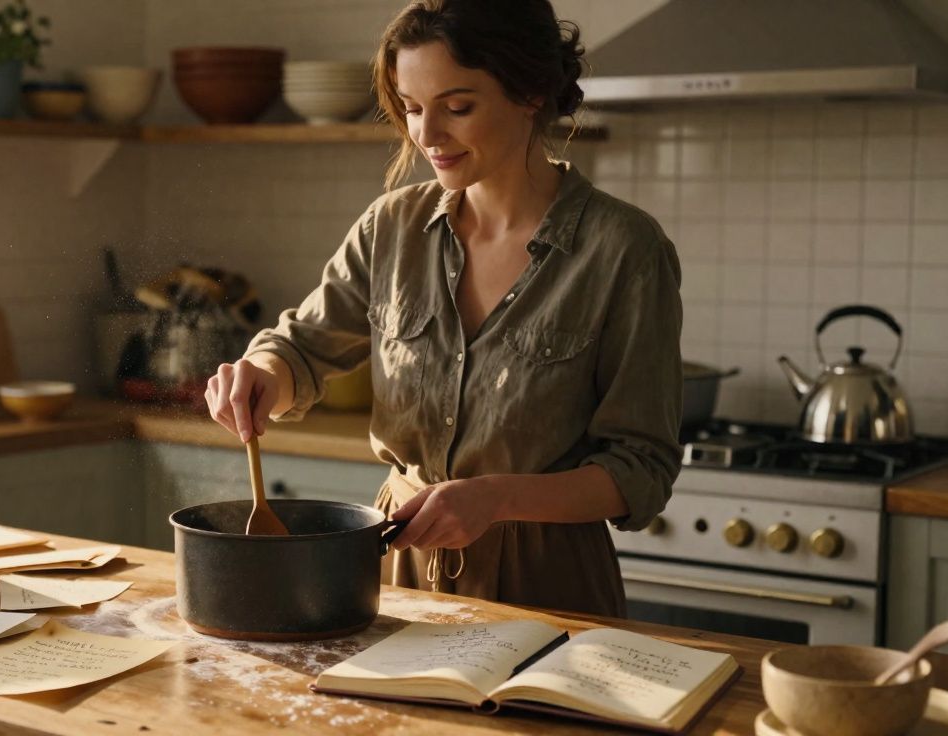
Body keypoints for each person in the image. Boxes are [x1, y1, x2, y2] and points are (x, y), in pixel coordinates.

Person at [204, 0, 683, 618]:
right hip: (394, 574)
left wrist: (497, 498)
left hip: (547, 588)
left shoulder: (623, 250)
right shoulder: (391, 227)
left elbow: (641, 468)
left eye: (458, 108)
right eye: (411, 108)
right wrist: (260, 374)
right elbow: (301, 348)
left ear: (531, 92)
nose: (426, 135)